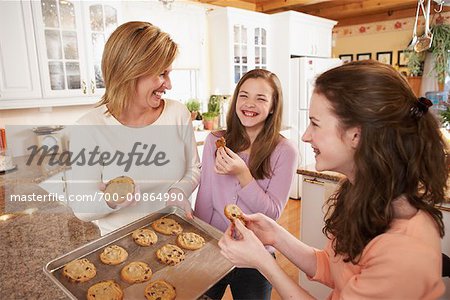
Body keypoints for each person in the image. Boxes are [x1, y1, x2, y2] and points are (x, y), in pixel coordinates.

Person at [218, 60, 447, 299]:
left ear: (356, 135)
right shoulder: (361, 194)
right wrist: (275, 234)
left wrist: (263, 261)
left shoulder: (404, 251)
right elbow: (332, 266)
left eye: (315, 123)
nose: (306, 136)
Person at [67, 21, 200, 235]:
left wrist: (178, 191)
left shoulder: (177, 114)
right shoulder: (89, 128)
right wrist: (112, 200)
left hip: (176, 238)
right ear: (130, 71)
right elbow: (81, 208)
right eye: (162, 74)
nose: (169, 84)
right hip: (121, 248)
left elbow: (193, 169)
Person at [194, 69, 298, 299]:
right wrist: (199, 244)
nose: (249, 104)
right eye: (244, 95)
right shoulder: (215, 141)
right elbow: (205, 198)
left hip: (256, 255)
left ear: (272, 106)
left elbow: (272, 213)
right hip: (214, 247)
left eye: (260, 98)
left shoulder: (285, 151)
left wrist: (243, 174)